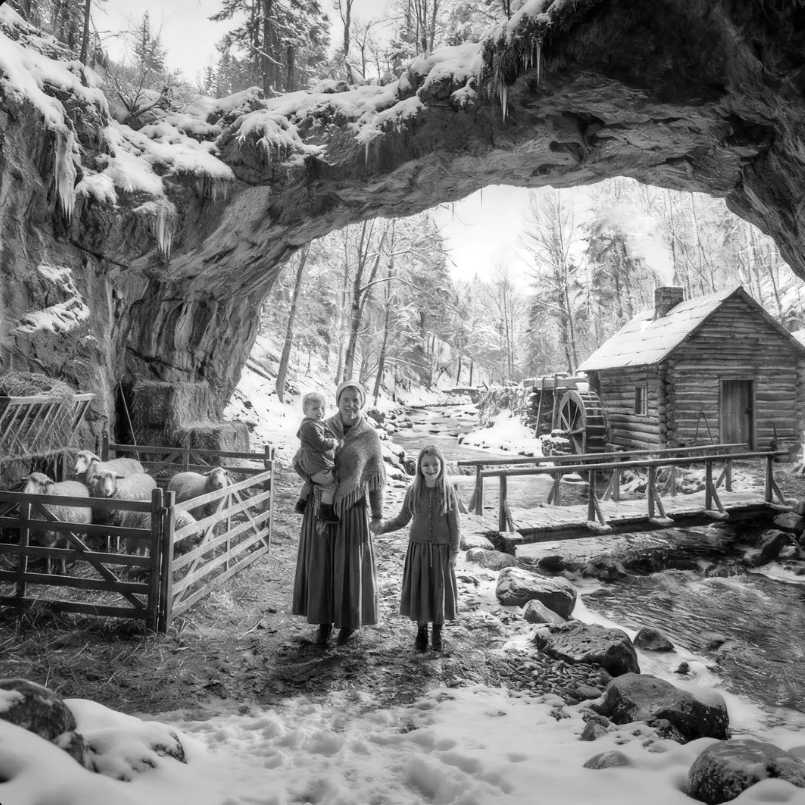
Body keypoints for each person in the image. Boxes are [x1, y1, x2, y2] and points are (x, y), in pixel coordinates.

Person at [292, 380, 386, 646]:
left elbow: (375, 480)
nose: (351, 404)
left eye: (356, 400)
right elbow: (299, 460)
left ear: (362, 402)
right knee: (322, 564)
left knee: (349, 567)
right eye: (346, 399)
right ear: (337, 401)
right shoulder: (320, 426)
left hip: (352, 510)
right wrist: (311, 478)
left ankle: (348, 622)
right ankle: (323, 623)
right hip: (320, 507)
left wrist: (378, 515)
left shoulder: (369, 436)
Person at [373, 444, 460, 651]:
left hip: (441, 551)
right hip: (418, 550)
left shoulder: (448, 491)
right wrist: (382, 528)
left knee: (439, 590)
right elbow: (403, 518)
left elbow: (455, 524)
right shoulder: (413, 490)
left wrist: (454, 551)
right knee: (421, 590)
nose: (431, 468)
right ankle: (422, 631)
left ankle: (438, 631)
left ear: (442, 465)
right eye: (426, 465)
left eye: (435, 464)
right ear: (419, 467)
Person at [292, 391, 341, 523]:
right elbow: (321, 444)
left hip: (309, 462)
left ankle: (301, 504)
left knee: (310, 481)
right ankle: (324, 512)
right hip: (315, 463)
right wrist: (333, 442)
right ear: (305, 411)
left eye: (322, 408)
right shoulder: (311, 426)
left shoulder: (310, 423)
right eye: (315, 408)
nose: (319, 411)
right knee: (330, 485)